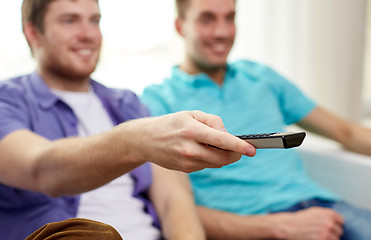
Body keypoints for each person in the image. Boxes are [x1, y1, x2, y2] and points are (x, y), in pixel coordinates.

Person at [0, 0, 257, 239]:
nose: (88, 34)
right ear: (33, 32)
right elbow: (42, 168)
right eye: (70, 21)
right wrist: (136, 141)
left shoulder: (127, 104)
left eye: (94, 21)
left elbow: (173, 201)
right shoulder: (8, 101)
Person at [141, 0, 371, 239]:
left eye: (229, 18)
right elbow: (174, 208)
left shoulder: (261, 77)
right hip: (255, 228)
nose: (222, 32)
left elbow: (346, 132)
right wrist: (278, 227)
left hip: (324, 209)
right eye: (207, 19)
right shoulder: (157, 103)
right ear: (180, 26)